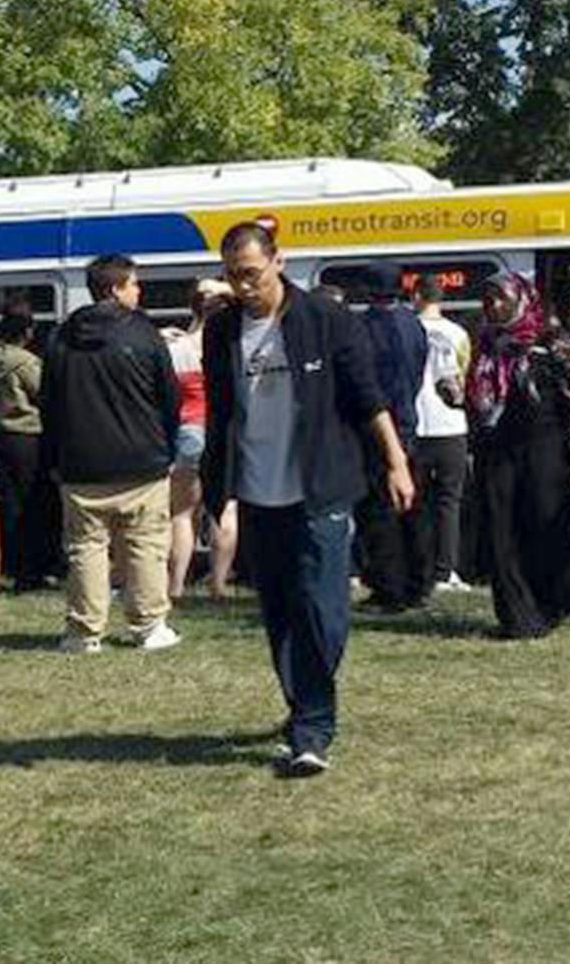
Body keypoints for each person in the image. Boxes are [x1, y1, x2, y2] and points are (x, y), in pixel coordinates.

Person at [202, 222, 415, 778]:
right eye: (232, 276)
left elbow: (368, 397)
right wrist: (214, 488)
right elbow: (222, 412)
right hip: (256, 490)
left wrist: (395, 461)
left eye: (250, 273)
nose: (243, 287)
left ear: (278, 261)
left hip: (320, 486)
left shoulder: (325, 319)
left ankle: (312, 729)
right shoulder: (221, 329)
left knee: (322, 611)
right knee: (280, 612)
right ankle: (305, 709)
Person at [42, 254, 185, 654]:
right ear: (116, 289)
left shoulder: (60, 339)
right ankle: (149, 625)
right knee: (145, 545)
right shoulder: (144, 334)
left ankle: (85, 632)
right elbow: (169, 398)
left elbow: (49, 405)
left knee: (85, 549)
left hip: (80, 464)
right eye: (134, 284)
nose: (139, 291)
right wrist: (166, 446)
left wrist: (55, 458)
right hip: (143, 461)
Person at [468, 272, 570, 638]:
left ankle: (554, 601)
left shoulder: (549, 341)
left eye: (502, 299)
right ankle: (517, 617)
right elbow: (477, 394)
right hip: (497, 448)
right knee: (501, 530)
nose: (495, 306)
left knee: (545, 524)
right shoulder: (485, 342)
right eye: (489, 299)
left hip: (547, 449)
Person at [354, 269, 432, 613]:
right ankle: (418, 580)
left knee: (378, 509)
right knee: (411, 507)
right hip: (410, 421)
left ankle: (389, 586)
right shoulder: (414, 324)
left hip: (378, 426)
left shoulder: (368, 327)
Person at [0, 302, 57, 590]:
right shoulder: (26, 362)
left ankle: (17, 569)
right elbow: (45, 394)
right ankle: (36, 568)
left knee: (9, 503)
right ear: (27, 330)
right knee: (34, 502)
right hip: (28, 436)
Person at [164, 280, 235, 598]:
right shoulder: (237, 344)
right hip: (225, 431)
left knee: (182, 513)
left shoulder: (177, 346)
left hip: (189, 430)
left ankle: (176, 586)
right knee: (226, 509)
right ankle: (218, 585)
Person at [412, 276, 475, 593]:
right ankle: (445, 570)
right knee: (449, 502)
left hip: (417, 424)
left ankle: (418, 568)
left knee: (418, 503)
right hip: (451, 425)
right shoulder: (459, 334)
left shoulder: (408, 330)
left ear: (417, 295)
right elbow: (465, 375)